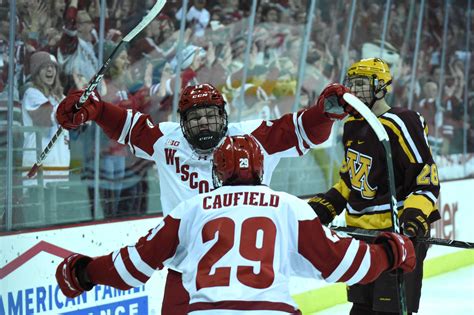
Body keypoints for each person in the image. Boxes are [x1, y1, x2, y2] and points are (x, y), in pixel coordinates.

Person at [55, 81, 348, 313]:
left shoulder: (249, 138)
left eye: (211, 116)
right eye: (196, 118)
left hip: (249, 276)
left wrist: (324, 113)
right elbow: (128, 126)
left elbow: (301, 129)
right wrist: (95, 110)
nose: (205, 124)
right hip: (184, 275)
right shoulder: (167, 140)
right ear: (182, 122)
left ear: (223, 116)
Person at [55, 135, 416, 314]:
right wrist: (391, 250)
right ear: (261, 169)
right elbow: (347, 264)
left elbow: (132, 267)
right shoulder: (289, 206)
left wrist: (86, 272)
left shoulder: (192, 208)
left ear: (218, 172)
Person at [308, 57, 441, 315]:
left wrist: (413, 217)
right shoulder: (351, 126)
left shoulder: (402, 122)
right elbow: (351, 181)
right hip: (361, 239)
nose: (353, 92)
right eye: (351, 85)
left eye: (360, 85)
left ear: (381, 87)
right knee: (360, 310)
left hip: (395, 237)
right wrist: (326, 206)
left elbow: (425, 177)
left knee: (388, 312)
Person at [22, 51, 70, 186]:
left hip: (60, 167)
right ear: (36, 72)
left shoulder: (60, 97)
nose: (50, 69)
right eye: (44, 67)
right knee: (38, 206)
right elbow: (46, 118)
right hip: (39, 169)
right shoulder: (31, 94)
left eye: (53, 67)